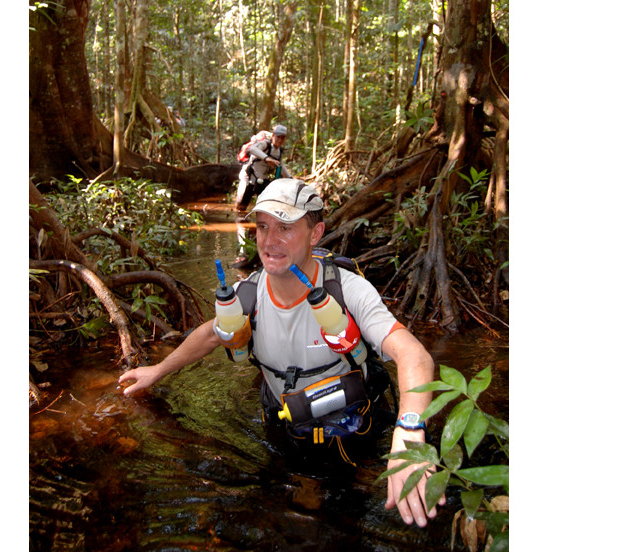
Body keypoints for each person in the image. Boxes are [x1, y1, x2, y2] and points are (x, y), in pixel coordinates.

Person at [119, 178, 446, 528]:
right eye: (262, 227)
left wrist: (410, 432)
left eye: (285, 228)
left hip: (355, 426)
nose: (269, 241)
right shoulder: (248, 295)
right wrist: (159, 370)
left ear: (315, 233)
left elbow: (415, 356)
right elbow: (210, 335)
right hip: (285, 428)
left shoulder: (347, 289)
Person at [234, 125, 291, 213]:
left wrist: (291, 180)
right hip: (248, 178)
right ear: (273, 136)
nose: (280, 140)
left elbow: (281, 166)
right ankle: (239, 223)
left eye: (282, 138)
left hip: (262, 180)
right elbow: (251, 149)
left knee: (264, 209)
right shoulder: (265, 144)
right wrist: (266, 158)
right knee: (240, 207)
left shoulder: (279, 151)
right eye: (278, 137)